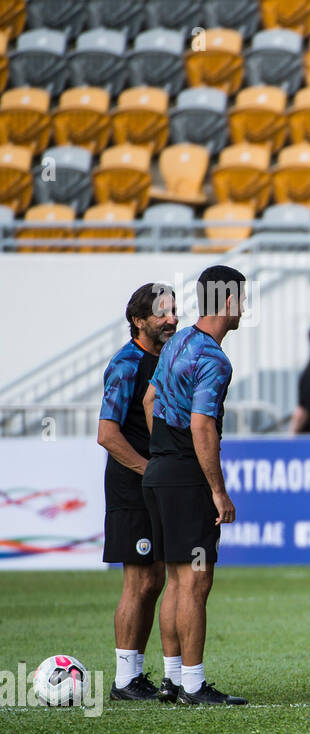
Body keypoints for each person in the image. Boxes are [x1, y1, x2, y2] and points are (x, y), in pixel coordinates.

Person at [140, 265, 247, 705]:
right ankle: (193, 685)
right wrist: (217, 490)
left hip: (159, 473)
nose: (245, 308)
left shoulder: (177, 341)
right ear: (227, 302)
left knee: (176, 580)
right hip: (186, 478)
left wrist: (165, 452)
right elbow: (202, 425)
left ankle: (171, 680)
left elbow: (150, 401)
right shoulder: (213, 359)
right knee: (196, 583)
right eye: (242, 298)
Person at [98, 283, 179, 701]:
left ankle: (136, 675)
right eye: (162, 313)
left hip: (154, 485)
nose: (171, 320)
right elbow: (107, 434)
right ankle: (125, 680)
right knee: (140, 580)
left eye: (174, 311)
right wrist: (150, 470)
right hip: (133, 486)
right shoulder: (127, 363)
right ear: (138, 320)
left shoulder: (164, 359)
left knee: (155, 579)